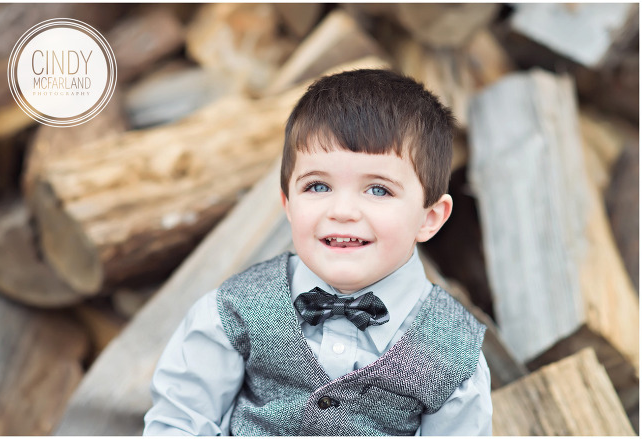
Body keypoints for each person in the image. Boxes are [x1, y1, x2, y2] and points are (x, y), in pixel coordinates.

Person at [144, 69, 490, 436]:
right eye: (318, 186)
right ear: (288, 204)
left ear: (429, 218)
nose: (342, 211)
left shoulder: (454, 353)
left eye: (378, 190)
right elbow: (179, 422)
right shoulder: (235, 310)